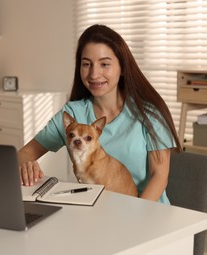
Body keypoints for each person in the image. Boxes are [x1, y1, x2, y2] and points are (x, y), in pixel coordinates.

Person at [17, 24, 182, 204]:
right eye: (87, 64)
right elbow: (25, 153)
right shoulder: (72, 114)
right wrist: (26, 165)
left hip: (148, 212)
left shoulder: (149, 114)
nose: (94, 74)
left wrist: (137, 216)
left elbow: (159, 176)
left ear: (123, 68)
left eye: (104, 64)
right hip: (97, 215)